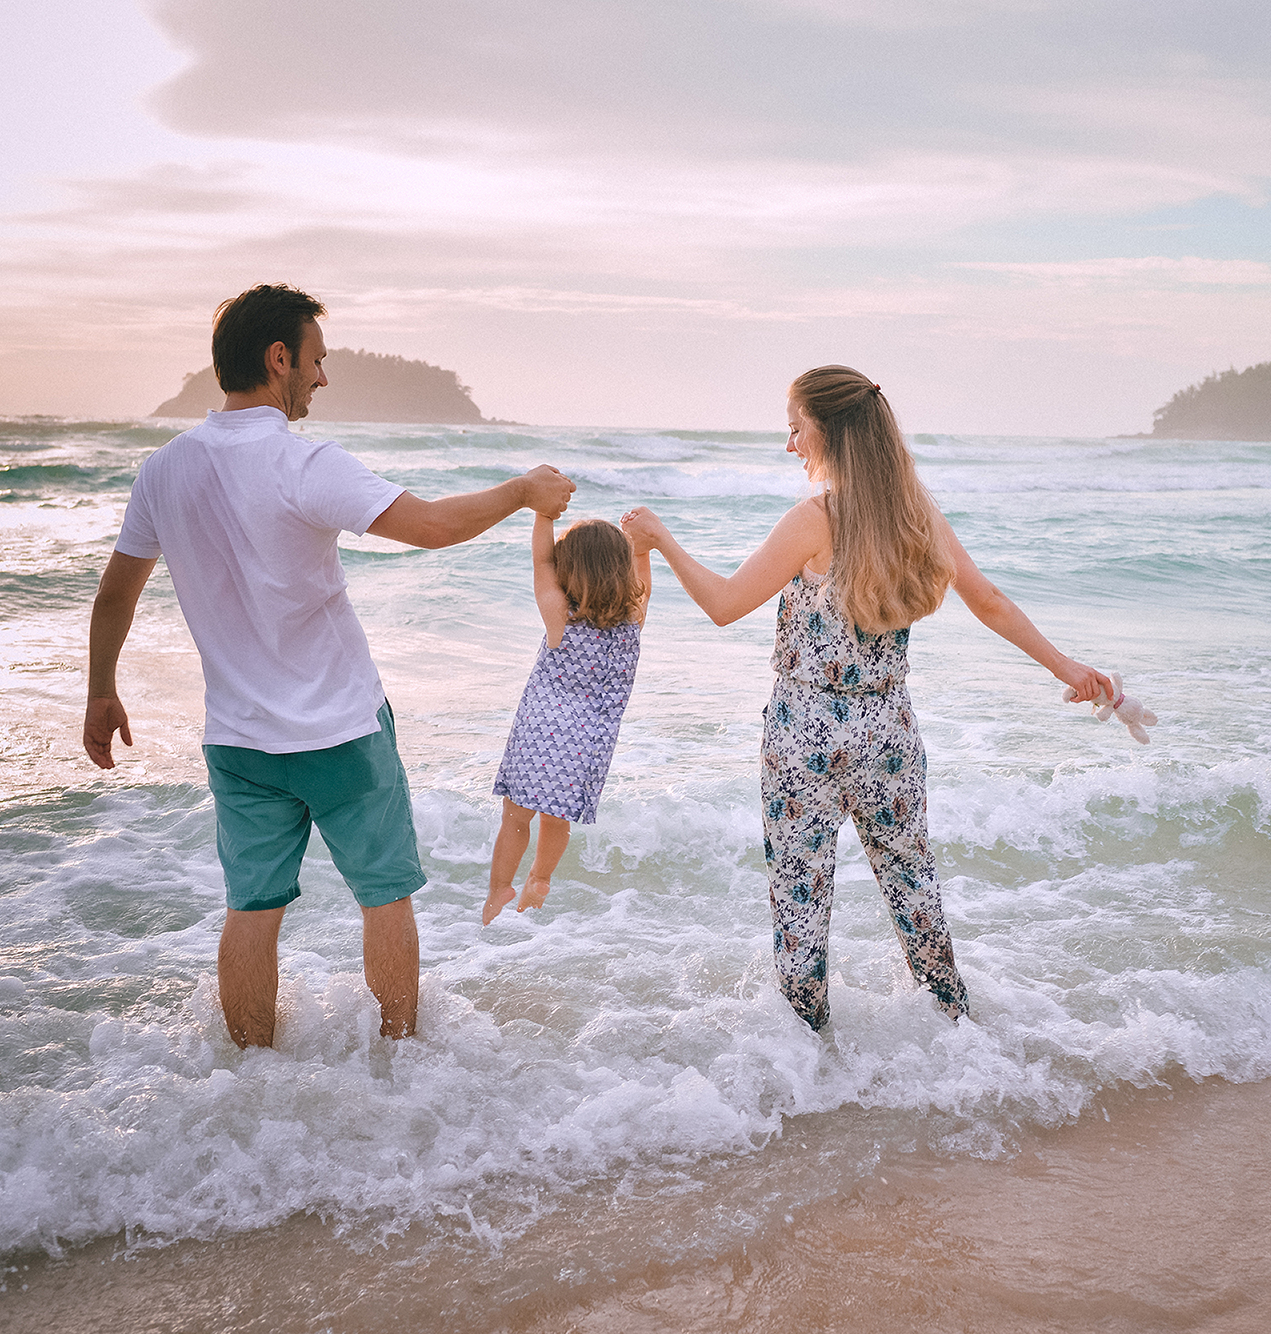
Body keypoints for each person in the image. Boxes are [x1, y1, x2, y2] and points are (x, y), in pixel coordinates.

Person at [83, 282, 576, 1049]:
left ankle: (253, 1076)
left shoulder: (164, 470)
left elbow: (115, 594)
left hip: (240, 740)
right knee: (384, 898)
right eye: (315, 360)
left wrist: (101, 691)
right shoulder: (303, 463)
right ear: (278, 358)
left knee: (252, 908)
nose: (322, 378)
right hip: (341, 729)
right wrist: (521, 491)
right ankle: (401, 1060)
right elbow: (432, 528)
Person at [622, 365, 1110, 1031]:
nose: (791, 445)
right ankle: (963, 1046)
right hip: (890, 736)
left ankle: (807, 1073)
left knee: (801, 908)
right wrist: (1067, 667)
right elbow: (989, 603)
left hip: (805, 740)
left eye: (795, 429)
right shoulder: (916, 516)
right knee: (916, 898)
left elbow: (724, 605)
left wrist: (659, 538)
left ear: (827, 430)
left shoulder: (813, 520)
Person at [481, 514, 651, 924]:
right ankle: (540, 876)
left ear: (568, 569)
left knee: (516, 816)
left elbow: (540, 563)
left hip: (541, 732)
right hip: (590, 742)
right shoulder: (634, 619)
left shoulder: (561, 616)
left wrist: (543, 515)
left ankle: (499, 888)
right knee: (556, 818)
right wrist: (643, 548)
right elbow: (643, 577)